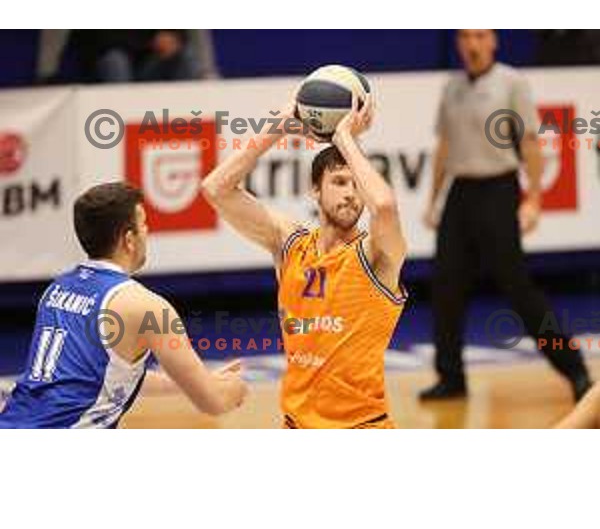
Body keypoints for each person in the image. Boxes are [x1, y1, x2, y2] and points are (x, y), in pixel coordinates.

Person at [202, 92, 408, 428]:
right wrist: (278, 126)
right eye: (340, 182)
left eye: (357, 185)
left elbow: (384, 207)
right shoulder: (291, 243)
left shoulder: (377, 256)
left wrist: (345, 138)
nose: (351, 194)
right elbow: (215, 189)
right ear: (315, 190)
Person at [420, 29, 591, 403]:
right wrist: (433, 201)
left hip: (498, 191)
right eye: (465, 37)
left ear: (493, 41)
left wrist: (534, 200)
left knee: (519, 291)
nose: (472, 44)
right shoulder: (452, 87)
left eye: (480, 36)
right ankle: (451, 377)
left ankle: (574, 369)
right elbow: (444, 147)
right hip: (460, 195)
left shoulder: (511, 82)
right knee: (446, 288)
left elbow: (530, 142)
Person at [0, 182, 247, 428]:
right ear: (129, 239)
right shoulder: (147, 308)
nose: (147, 231)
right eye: (144, 224)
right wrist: (234, 389)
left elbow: (103, 378)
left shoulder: (57, 289)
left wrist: (193, 381)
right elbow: (212, 404)